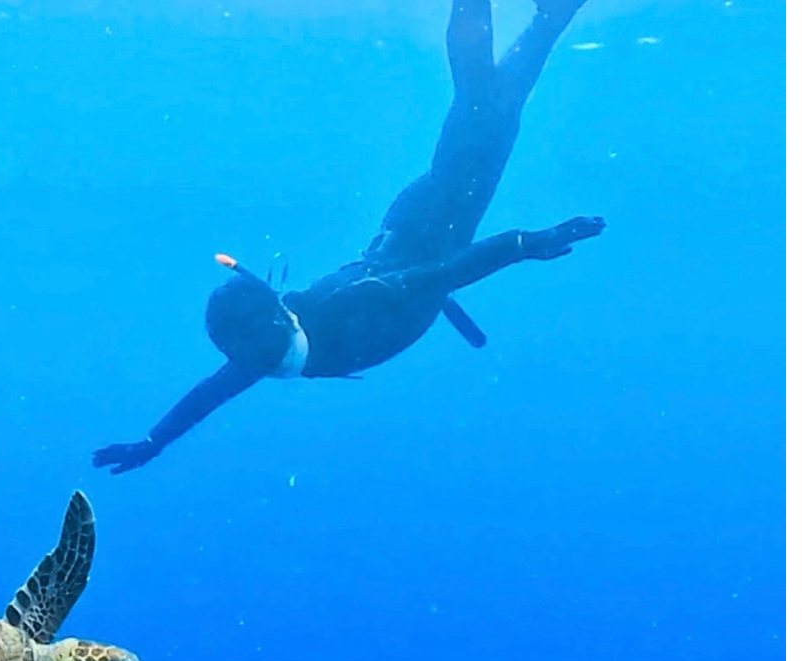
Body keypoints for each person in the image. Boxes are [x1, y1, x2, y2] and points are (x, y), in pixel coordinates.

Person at [93, 0, 604, 475]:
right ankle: (550, 16)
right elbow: (210, 393)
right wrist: (154, 441)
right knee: (492, 109)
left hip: (435, 219)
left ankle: (541, 15)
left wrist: (528, 244)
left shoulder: (323, 322)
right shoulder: (263, 349)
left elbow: (443, 274)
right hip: (423, 227)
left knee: (484, 108)